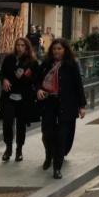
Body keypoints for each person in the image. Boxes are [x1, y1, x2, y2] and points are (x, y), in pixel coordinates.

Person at [36, 38, 86, 179]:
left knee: (62, 137)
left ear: (65, 50)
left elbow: (78, 86)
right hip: (49, 104)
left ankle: (57, 167)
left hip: (67, 105)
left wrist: (82, 106)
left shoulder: (71, 65)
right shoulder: (46, 64)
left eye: (59, 49)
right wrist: (39, 89)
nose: (56, 51)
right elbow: (37, 80)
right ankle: (48, 155)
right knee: (47, 134)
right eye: (54, 49)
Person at [0, 37, 40, 162]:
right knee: (7, 121)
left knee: (21, 125)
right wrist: (4, 80)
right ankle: (8, 147)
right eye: (18, 45)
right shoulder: (9, 59)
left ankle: (19, 150)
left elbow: (36, 80)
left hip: (24, 98)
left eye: (22, 45)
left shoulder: (32, 62)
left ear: (27, 47)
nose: (20, 48)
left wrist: (26, 77)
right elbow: (2, 73)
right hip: (9, 97)